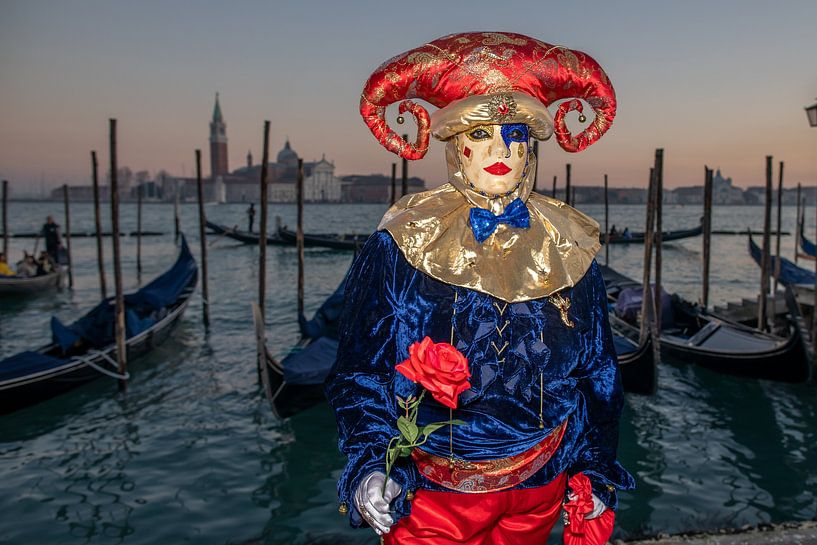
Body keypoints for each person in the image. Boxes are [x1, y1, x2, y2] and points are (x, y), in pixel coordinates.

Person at [326, 32, 633, 545]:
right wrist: (370, 466)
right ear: (454, 145)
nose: (499, 149)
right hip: (435, 497)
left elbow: (596, 371)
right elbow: (361, 369)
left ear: (531, 147)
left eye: (514, 134)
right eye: (480, 132)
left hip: (540, 487)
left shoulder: (567, 241)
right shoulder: (402, 241)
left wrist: (594, 466)